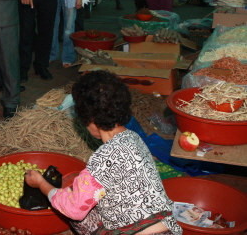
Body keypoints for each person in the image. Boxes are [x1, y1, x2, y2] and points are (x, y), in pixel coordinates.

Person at [24, 70, 182, 235]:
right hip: (167, 227)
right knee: (87, 200)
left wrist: (42, 184)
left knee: (73, 206)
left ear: (90, 120)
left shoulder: (102, 159)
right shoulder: (133, 138)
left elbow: (74, 210)